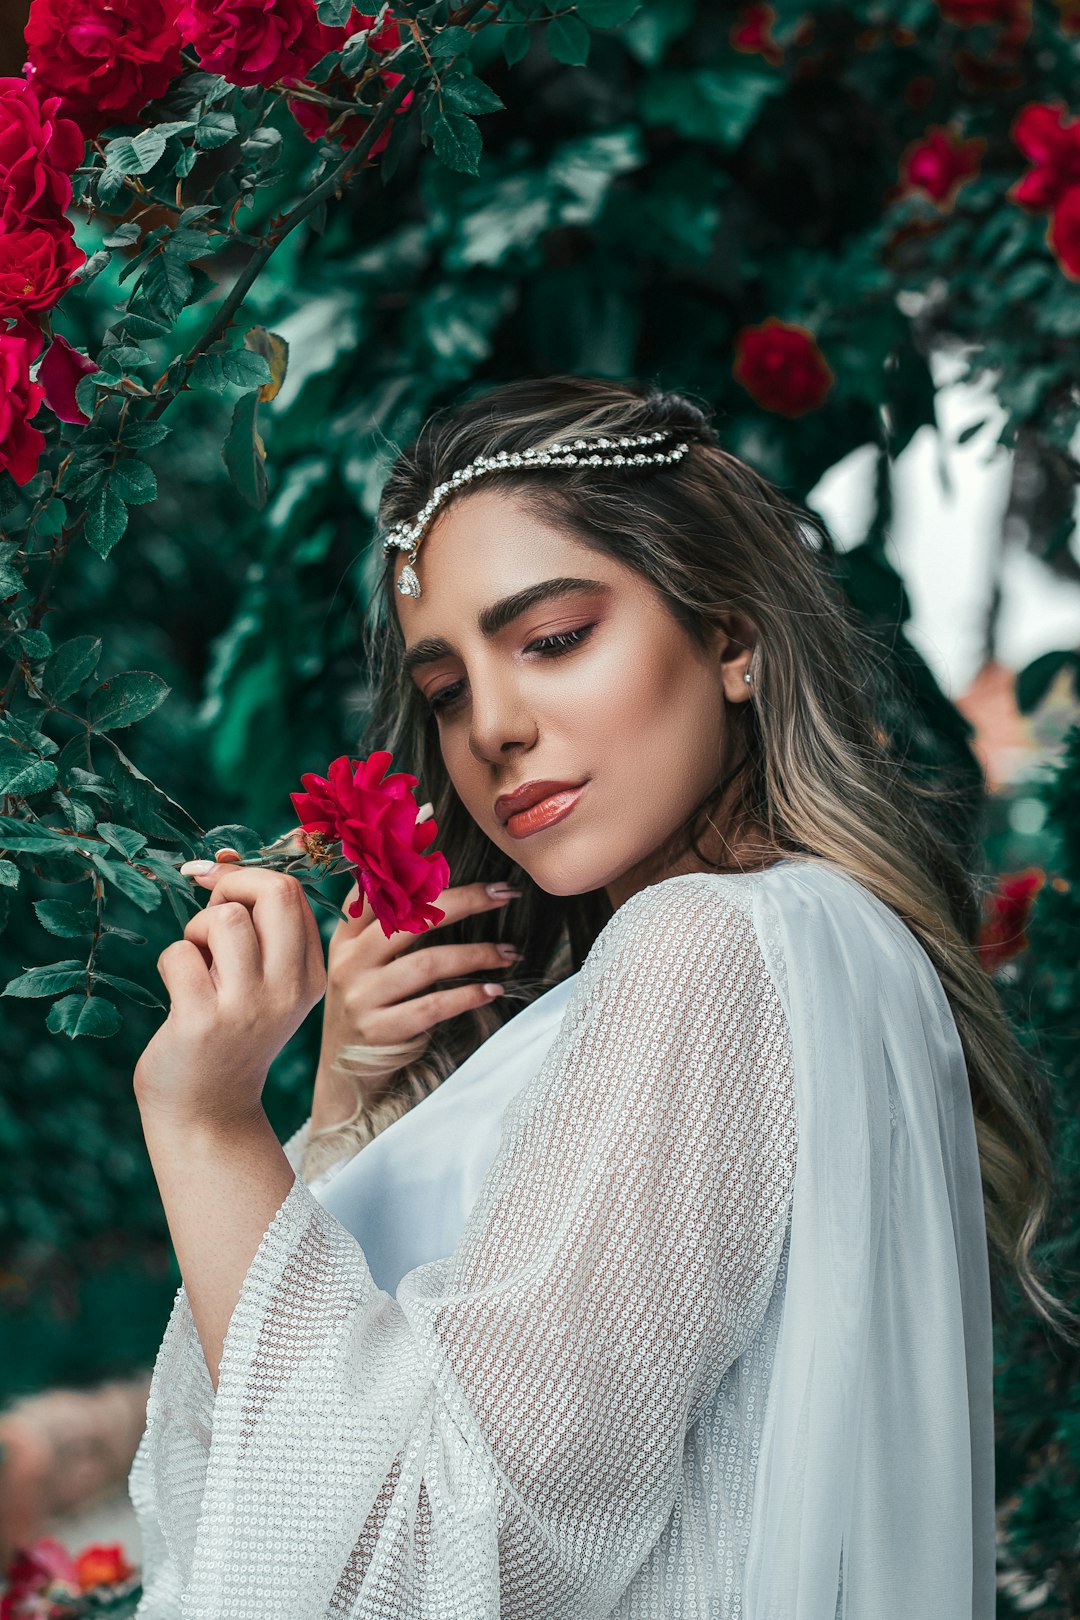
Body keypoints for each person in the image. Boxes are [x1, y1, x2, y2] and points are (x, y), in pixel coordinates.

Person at [126, 375, 1074, 1619]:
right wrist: (355, 1116)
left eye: (555, 637)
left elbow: (427, 1561)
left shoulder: (704, 952)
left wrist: (206, 1127)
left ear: (730, 638)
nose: (495, 730)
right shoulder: (823, 941)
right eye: (447, 690)